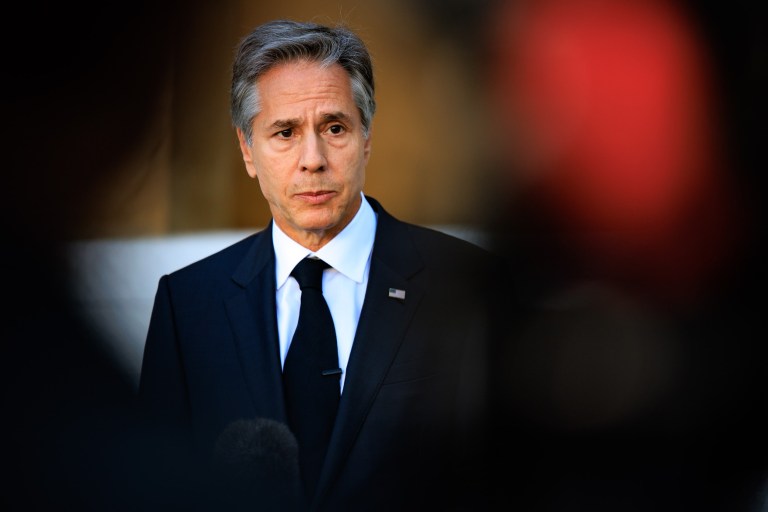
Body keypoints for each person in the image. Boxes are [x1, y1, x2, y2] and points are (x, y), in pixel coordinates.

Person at [138, 19, 499, 511]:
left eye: (334, 127)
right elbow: (157, 486)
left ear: (366, 137)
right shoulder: (189, 305)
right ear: (247, 149)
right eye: (284, 132)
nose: (313, 158)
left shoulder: (464, 285)